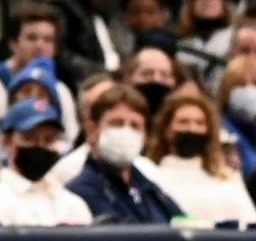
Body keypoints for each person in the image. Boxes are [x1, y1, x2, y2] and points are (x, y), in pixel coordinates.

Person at [68, 84, 184, 223]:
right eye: (117, 123)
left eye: (135, 126)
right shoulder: (81, 191)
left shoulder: (151, 190)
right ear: (92, 130)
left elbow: (185, 224)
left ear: (145, 137)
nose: (126, 131)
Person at [148, 88, 256, 225]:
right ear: (167, 130)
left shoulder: (227, 177)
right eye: (183, 122)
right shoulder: (150, 175)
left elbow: (250, 222)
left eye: (200, 123)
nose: (192, 129)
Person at [0, 97, 92, 226]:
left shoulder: (73, 204)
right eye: (29, 138)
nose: (40, 146)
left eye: (48, 139)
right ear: (7, 141)